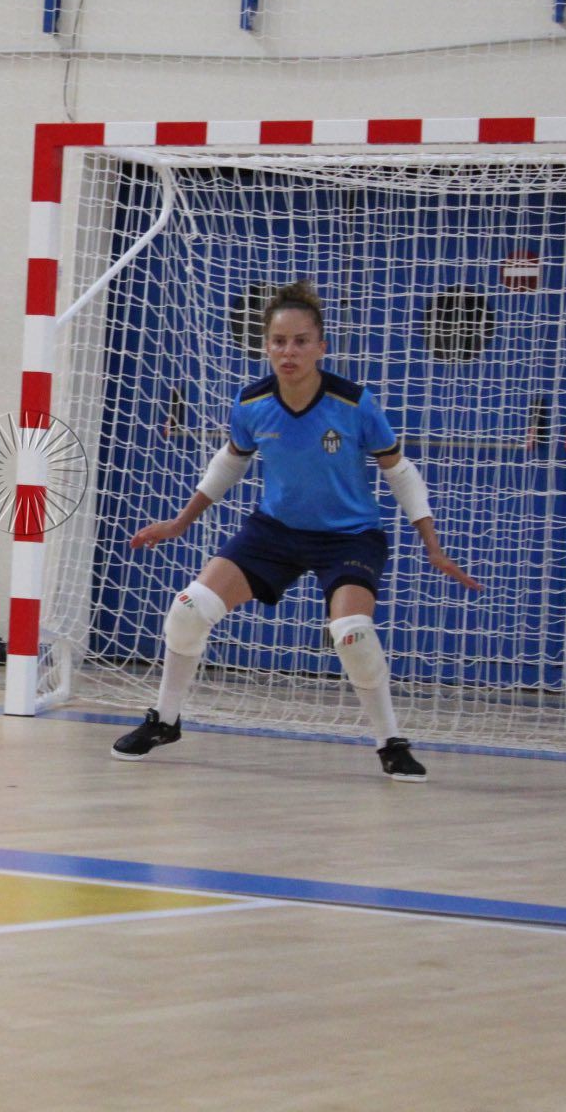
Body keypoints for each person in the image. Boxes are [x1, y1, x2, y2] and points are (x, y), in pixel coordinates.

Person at [114, 280, 481, 781]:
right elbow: (230, 463)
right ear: (266, 345)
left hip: (349, 537)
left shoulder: (354, 404)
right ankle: (165, 720)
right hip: (275, 533)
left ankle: (390, 742)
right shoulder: (251, 404)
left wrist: (432, 544)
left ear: (321, 347)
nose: (289, 351)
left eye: (301, 341)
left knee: (352, 635)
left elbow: (400, 472)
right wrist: (181, 521)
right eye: (279, 341)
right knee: (188, 611)